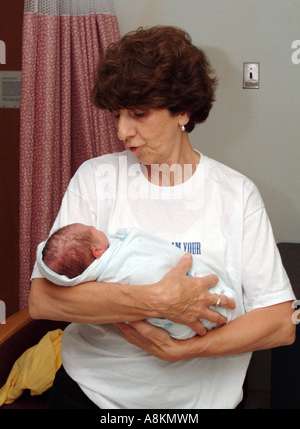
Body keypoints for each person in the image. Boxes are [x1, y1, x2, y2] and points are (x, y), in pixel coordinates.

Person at [29, 25, 295, 409]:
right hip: (92, 393)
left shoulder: (235, 195)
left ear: (183, 110)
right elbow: (44, 300)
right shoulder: (96, 178)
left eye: (138, 113)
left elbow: (280, 322)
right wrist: (155, 301)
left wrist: (181, 351)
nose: (123, 130)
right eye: (117, 114)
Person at [37, 223, 238, 339]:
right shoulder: (118, 264)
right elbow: (40, 304)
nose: (94, 226)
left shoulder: (97, 284)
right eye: (92, 230)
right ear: (97, 252)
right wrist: (162, 299)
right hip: (190, 321)